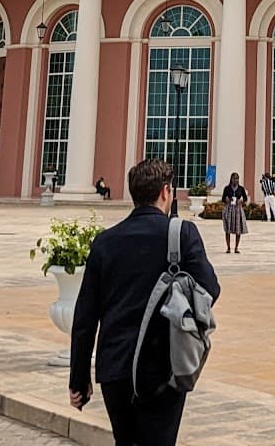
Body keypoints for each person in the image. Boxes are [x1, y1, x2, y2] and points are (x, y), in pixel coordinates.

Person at [69, 158, 220, 446]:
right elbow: (210, 289)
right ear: (165, 192)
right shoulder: (182, 234)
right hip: (165, 365)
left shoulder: (105, 242)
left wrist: (78, 378)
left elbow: (85, 318)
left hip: (115, 368)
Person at [220, 171, 249, 254]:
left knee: (238, 229)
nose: (235, 180)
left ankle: (236, 247)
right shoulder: (227, 188)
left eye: (237, 179)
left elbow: (245, 198)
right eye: (234, 179)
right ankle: (228, 247)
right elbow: (223, 199)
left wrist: (241, 201)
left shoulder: (241, 189)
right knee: (227, 229)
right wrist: (227, 200)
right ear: (231, 179)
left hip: (237, 210)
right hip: (229, 209)